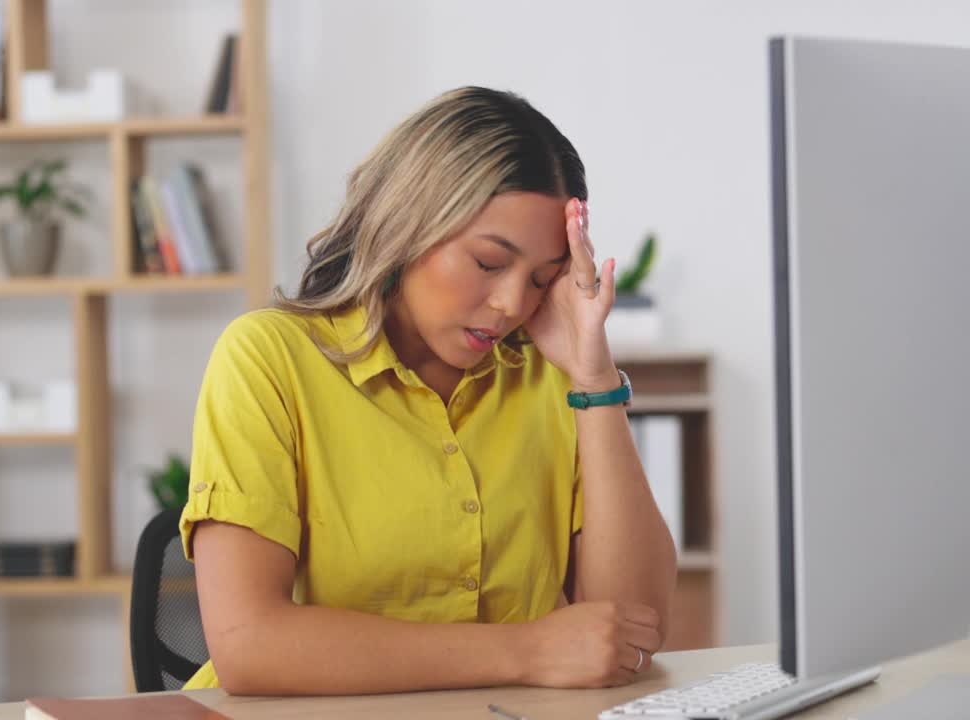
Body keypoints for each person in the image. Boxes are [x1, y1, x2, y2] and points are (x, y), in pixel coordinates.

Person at [179, 86, 677, 695]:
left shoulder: (554, 377)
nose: (511, 304)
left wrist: (595, 381)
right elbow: (250, 647)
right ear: (408, 225)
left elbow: (629, 632)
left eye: (542, 280)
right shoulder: (268, 359)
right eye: (490, 264)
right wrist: (524, 651)